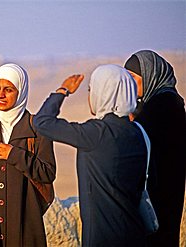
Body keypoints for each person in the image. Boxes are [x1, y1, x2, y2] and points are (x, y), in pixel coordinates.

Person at [34, 64, 148, 246]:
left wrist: (62, 91)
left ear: (103, 93)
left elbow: (42, 123)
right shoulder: (138, 132)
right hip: (135, 233)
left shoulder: (97, 134)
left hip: (103, 237)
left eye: (91, 90)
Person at [0, 63, 56, 247]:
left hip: (25, 223)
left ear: (21, 92)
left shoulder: (38, 128)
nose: (0, 95)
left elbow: (48, 173)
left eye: (8, 90)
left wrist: (15, 155)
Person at [124, 50, 186, 247]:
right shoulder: (162, 103)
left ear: (150, 75)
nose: (130, 84)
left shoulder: (163, 106)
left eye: (134, 78)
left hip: (160, 194)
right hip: (164, 192)